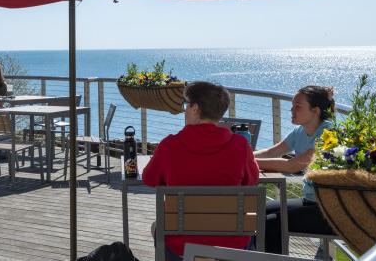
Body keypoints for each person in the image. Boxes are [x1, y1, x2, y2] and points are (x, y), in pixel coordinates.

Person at [143, 81, 259, 260]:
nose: (185, 110)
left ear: (195, 108)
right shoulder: (241, 145)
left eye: (186, 104)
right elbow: (251, 181)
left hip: (182, 247)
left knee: (158, 227)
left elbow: (149, 179)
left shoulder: (169, 146)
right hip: (232, 247)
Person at [255, 85, 335, 254]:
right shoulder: (300, 131)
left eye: (297, 106)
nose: (292, 110)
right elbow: (271, 152)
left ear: (315, 111)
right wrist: (242, 155)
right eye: (292, 105)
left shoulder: (329, 133)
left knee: (269, 224)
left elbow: (293, 165)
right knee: (258, 212)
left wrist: (247, 162)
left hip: (328, 211)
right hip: (310, 202)